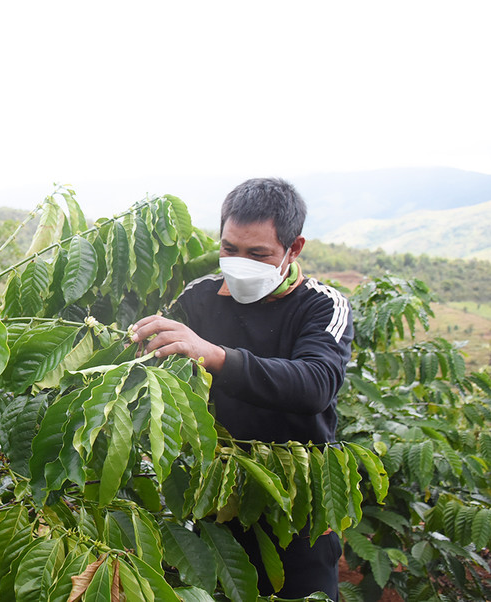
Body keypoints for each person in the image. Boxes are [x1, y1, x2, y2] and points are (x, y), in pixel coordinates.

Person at [130, 177, 353, 601]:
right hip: (218, 498)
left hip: (297, 504)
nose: (238, 262)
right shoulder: (201, 297)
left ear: (294, 249)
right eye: (230, 249)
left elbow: (316, 384)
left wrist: (215, 355)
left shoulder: (322, 305)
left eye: (258, 254)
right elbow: (161, 367)